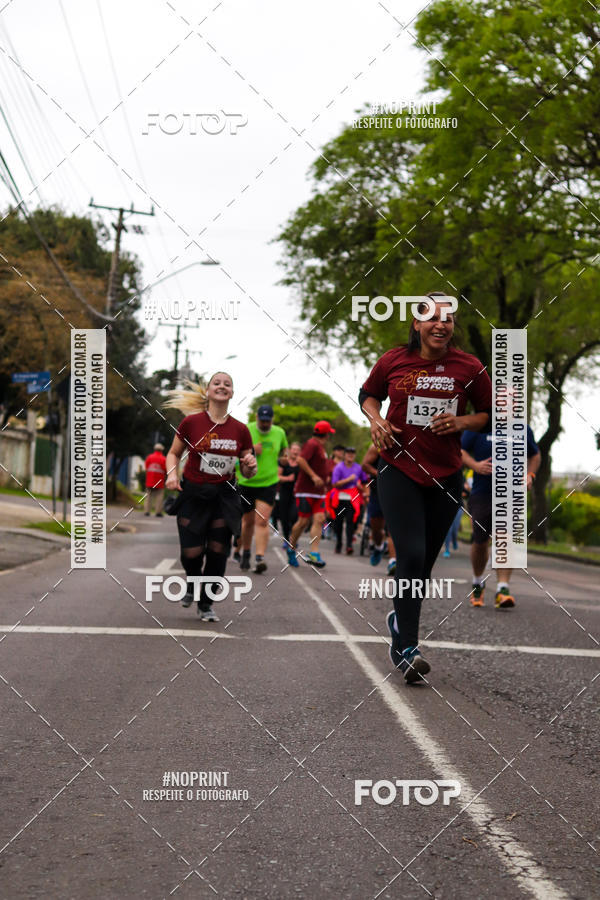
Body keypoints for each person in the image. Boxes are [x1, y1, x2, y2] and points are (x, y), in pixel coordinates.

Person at [360, 293, 492, 683]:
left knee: (423, 565)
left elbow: (489, 414)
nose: (440, 324)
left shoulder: (468, 366)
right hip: (399, 468)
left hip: (446, 475)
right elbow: (368, 394)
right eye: (431, 317)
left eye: (448, 318)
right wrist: (375, 419)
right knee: (412, 555)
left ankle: (399, 624)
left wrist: (461, 423)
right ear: (416, 324)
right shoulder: (393, 360)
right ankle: (407, 650)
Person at [164, 373, 257, 621]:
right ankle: (193, 582)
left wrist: (250, 465)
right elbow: (173, 453)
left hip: (224, 496)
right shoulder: (191, 423)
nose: (222, 386)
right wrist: (172, 475)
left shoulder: (240, 429)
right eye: (217, 383)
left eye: (228, 384)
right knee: (191, 553)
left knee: (218, 551)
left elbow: (247, 470)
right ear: (208, 391)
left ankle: (206, 603)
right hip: (193, 494)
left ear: (232, 393)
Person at [461, 422, 541, 608]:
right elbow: (460, 450)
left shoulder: (522, 428)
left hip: (511, 493)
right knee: (480, 542)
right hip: (482, 492)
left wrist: (530, 475)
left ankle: (502, 589)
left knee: (505, 537)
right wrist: (475, 465)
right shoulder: (479, 424)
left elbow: (535, 455)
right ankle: (477, 582)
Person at [237, 404, 288, 574]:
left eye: (268, 421)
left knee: (262, 520)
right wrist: (252, 451)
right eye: (262, 420)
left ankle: (259, 558)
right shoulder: (246, 430)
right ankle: (245, 552)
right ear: (256, 417)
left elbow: (284, 450)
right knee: (248, 521)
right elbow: (235, 455)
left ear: (272, 419)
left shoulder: (279, 432)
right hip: (247, 481)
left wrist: (285, 458)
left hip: (269, 482)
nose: (265, 423)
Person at [287, 420, 336, 568]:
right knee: (303, 522)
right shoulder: (312, 444)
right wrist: (314, 476)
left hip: (319, 492)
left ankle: (314, 553)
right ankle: (291, 548)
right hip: (305, 490)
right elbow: (301, 460)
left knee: (320, 519)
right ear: (326, 434)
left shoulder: (321, 447)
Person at [331, 447, 369, 554]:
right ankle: (339, 543)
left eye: (352, 454)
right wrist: (348, 480)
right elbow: (334, 484)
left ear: (355, 456)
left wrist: (364, 491)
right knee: (338, 523)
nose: (350, 456)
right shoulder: (339, 467)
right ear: (344, 455)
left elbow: (365, 482)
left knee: (351, 522)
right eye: (348, 454)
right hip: (340, 499)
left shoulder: (358, 468)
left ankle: (349, 545)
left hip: (353, 500)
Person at [273, 442, 301, 545]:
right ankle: (287, 539)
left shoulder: (301, 464)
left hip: (296, 494)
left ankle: (293, 538)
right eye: (294, 449)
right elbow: (277, 476)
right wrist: (288, 478)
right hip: (284, 492)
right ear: (290, 450)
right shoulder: (284, 463)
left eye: (297, 450)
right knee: (284, 518)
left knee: (294, 516)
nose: (295, 452)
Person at [144, 443, 167, 516]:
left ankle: (147, 511)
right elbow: (166, 470)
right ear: (162, 450)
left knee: (148, 496)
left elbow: (147, 467)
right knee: (159, 497)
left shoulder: (149, 457)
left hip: (150, 481)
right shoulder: (164, 459)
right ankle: (158, 512)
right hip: (159, 481)